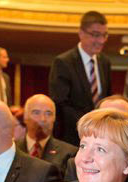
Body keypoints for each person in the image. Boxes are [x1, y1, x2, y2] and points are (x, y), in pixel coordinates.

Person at [49, 10, 111, 145]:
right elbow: (61, 104)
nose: (101, 41)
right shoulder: (63, 62)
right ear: (81, 33)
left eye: (104, 35)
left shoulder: (105, 62)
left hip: (101, 138)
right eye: (96, 35)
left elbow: (106, 99)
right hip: (72, 138)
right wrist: (88, 126)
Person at [15, 94, 78, 175]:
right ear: (25, 117)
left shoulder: (69, 153)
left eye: (48, 113)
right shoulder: (13, 149)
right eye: (36, 112)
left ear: (54, 118)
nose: (43, 119)